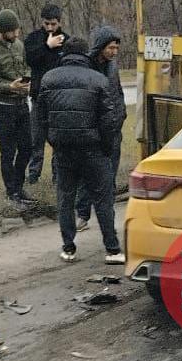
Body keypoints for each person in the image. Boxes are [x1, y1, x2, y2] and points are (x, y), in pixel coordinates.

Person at [38, 37, 124, 264]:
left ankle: (68, 248)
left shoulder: (49, 79)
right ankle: (112, 249)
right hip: (93, 149)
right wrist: (106, 148)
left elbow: (40, 118)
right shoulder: (98, 80)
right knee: (103, 199)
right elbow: (109, 120)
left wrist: (54, 141)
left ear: (64, 54)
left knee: (66, 198)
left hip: (64, 150)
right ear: (86, 54)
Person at [0, 9, 36, 212]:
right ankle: (11, 192)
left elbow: (26, 67)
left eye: (17, 30)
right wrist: (9, 87)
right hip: (3, 108)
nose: (17, 34)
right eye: (12, 31)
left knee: (27, 148)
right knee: (8, 151)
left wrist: (26, 81)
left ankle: (19, 187)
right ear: (3, 31)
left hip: (21, 105)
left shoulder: (19, 45)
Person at [75, 26, 126, 232]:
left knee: (109, 176)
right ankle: (82, 214)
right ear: (101, 46)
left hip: (113, 130)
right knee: (88, 176)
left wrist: (120, 115)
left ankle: (108, 217)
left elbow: (118, 93)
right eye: (111, 47)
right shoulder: (86, 67)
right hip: (93, 131)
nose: (114, 52)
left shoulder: (112, 67)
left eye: (116, 48)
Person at [23, 4, 69, 184]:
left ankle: (57, 175)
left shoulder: (67, 40)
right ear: (42, 21)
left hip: (58, 100)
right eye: (47, 24)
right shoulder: (34, 38)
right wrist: (46, 46)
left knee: (57, 139)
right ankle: (34, 174)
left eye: (54, 24)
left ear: (59, 22)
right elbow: (30, 59)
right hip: (38, 97)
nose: (50, 28)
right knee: (36, 139)